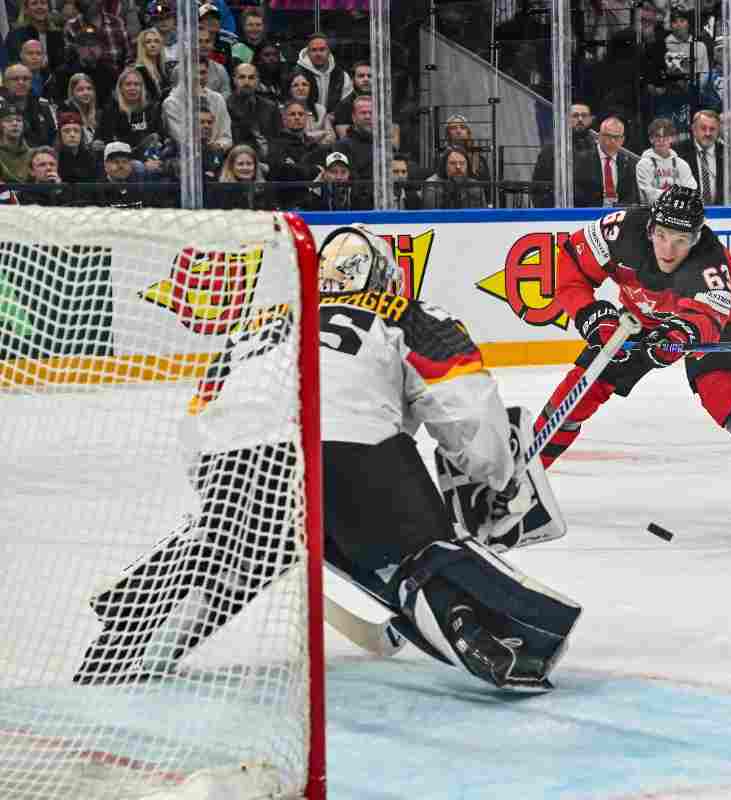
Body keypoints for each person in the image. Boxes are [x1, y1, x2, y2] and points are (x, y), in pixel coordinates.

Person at [74, 224, 578, 693]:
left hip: (230, 456)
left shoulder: (266, 320)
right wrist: (496, 474)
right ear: (386, 275)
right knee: (416, 554)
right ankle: (497, 639)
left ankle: (128, 642)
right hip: (350, 451)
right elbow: (468, 415)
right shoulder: (409, 313)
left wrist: (222, 495)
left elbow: (204, 413)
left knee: (236, 555)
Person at [534, 185, 731, 535]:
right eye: (661, 235)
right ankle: (522, 474)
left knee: (720, 392)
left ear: (696, 237)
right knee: (584, 386)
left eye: (680, 239)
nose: (668, 249)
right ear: (650, 228)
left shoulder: (712, 266)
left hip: (721, 319)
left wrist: (672, 342)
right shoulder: (619, 229)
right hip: (643, 313)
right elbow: (569, 262)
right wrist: (588, 313)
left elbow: (702, 324)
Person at [675, 109, 731, 206]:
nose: (708, 133)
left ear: (718, 130)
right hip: (688, 213)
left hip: (722, 215)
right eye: (703, 128)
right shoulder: (678, 153)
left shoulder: (730, 154)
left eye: (712, 129)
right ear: (694, 130)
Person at [574, 115, 639, 207]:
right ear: (599, 136)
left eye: (616, 137)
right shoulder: (583, 160)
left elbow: (631, 197)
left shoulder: (628, 163)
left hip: (619, 214)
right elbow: (578, 194)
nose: (612, 141)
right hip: (590, 213)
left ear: (622, 140)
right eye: (608, 136)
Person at [636, 116, 696, 204]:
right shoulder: (643, 164)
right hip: (651, 213)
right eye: (657, 136)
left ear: (672, 138)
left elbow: (692, 191)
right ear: (651, 139)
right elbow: (647, 195)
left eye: (666, 136)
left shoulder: (682, 164)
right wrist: (678, 196)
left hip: (678, 213)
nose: (661, 140)